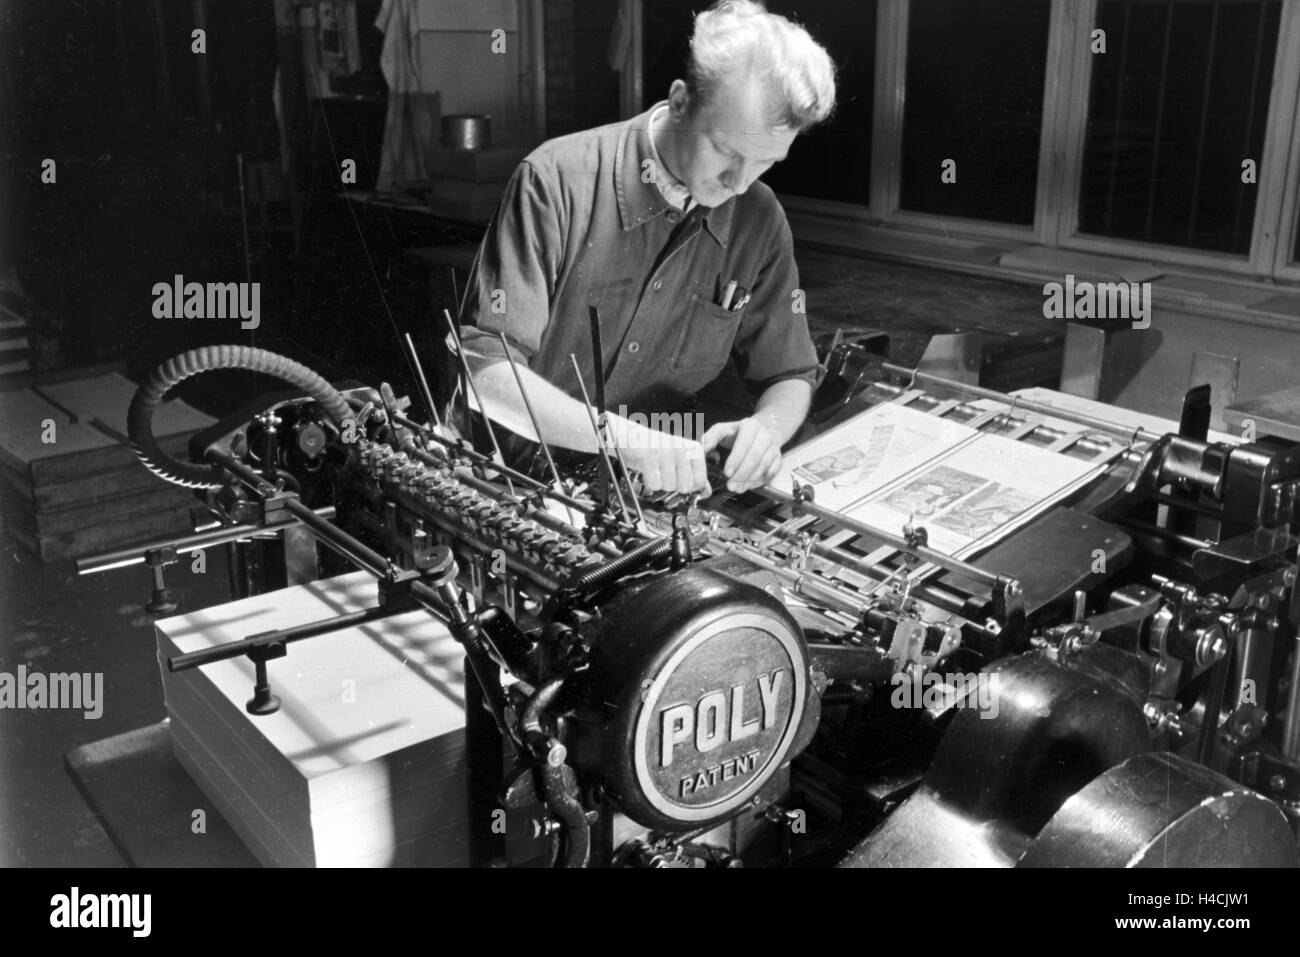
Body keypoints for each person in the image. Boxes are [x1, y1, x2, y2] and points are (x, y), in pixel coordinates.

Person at [458, 0, 836, 494]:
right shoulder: (553, 181)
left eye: (765, 162)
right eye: (725, 150)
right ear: (681, 101)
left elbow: (789, 373)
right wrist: (627, 440)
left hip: (639, 494)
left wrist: (765, 432)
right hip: (501, 475)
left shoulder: (760, 221)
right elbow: (486, 375)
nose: (739, 182)